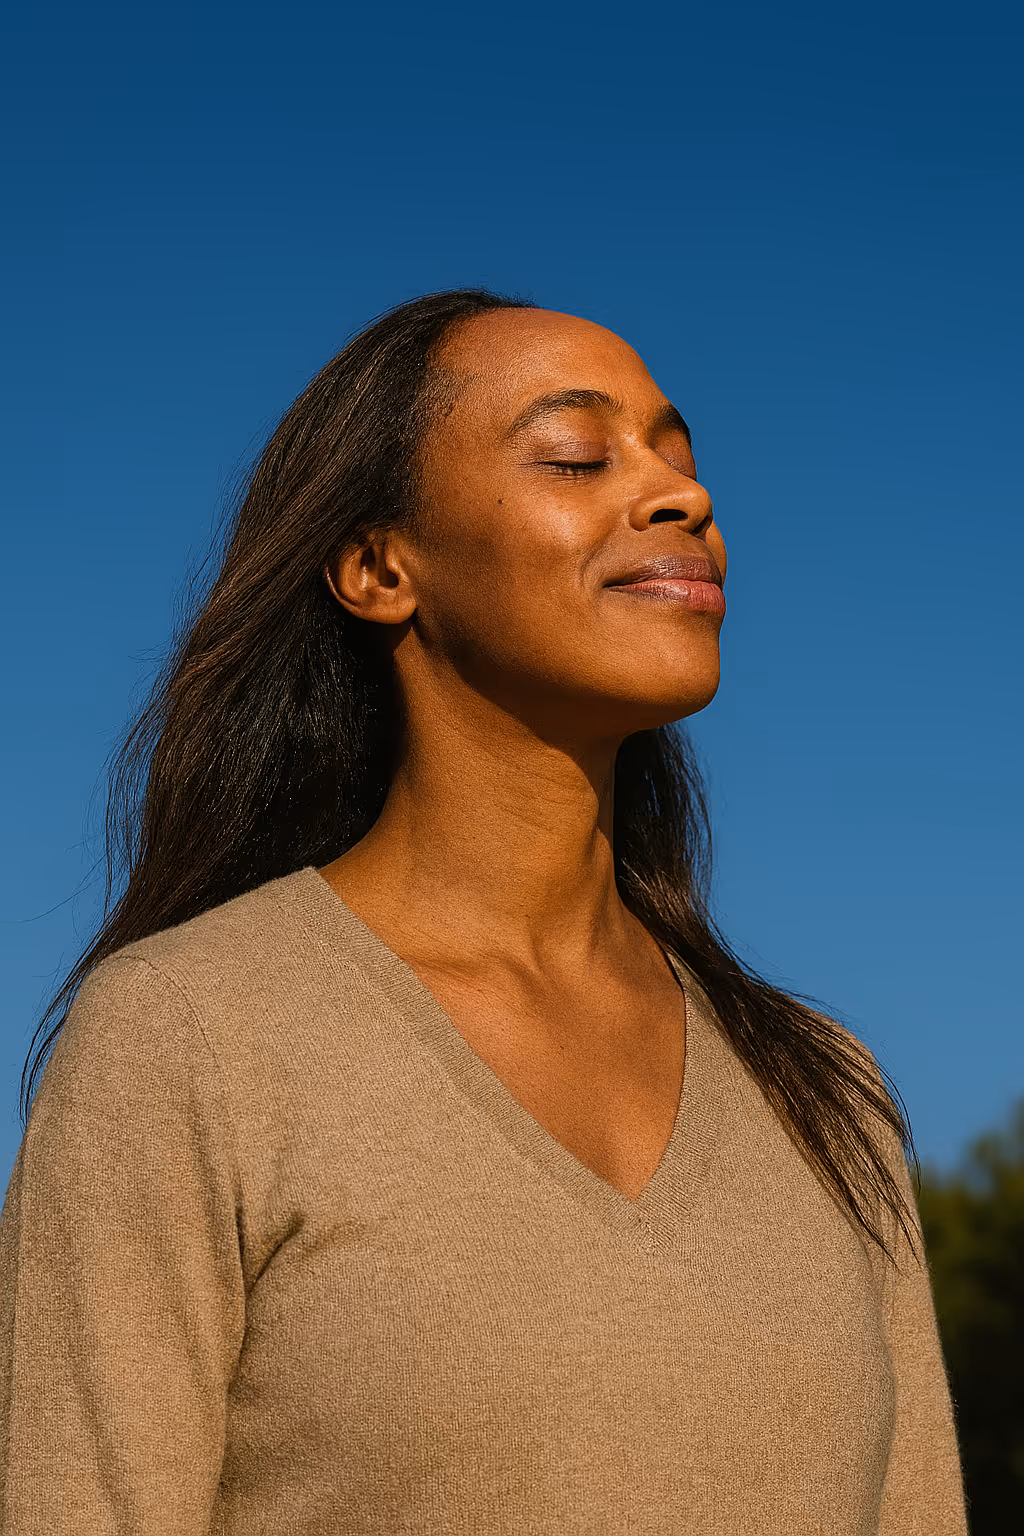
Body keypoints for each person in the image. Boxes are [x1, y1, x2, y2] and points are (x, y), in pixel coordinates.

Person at [0, 289, 969, 1533]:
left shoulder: (825, 1089)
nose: (685, 500)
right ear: (377, 567)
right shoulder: (186, 1037)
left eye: (678, 458)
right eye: (575, 455)